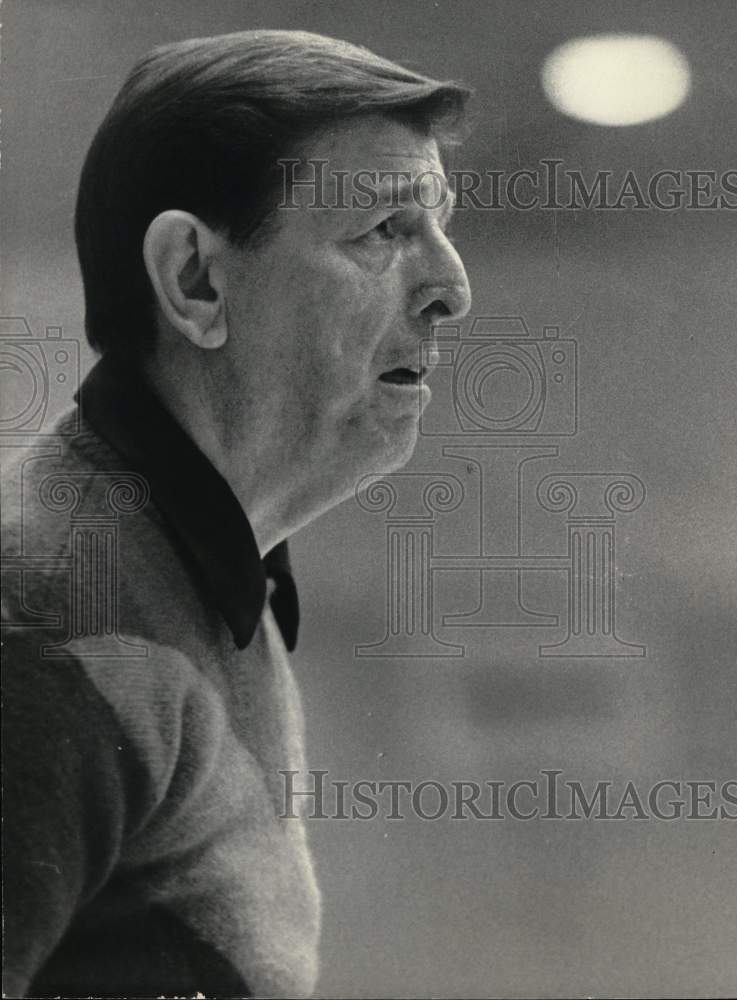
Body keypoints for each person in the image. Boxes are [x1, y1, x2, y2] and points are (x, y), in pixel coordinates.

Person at [1, 29, 471, 999]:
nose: (451, 289)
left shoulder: (191, 581)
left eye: (441, 225)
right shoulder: (44, 617)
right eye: (384, 229)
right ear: (195, 281)